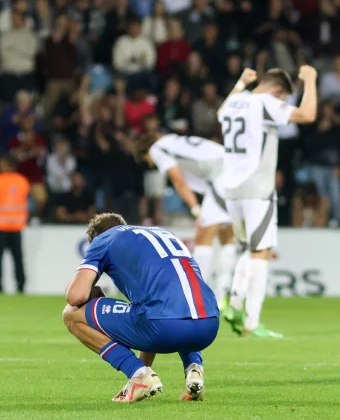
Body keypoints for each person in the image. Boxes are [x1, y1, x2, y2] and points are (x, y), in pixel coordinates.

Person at [62, 213, 219, 403]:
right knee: (175, 306)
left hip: (164, 326)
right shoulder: (163, 233)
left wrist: (138, 372)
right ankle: (193, 367)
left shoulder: (104, 239)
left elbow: (75, 296)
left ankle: (137, 374)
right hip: (209, 324)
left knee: (71, 315)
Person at [217, 65, 318, 337]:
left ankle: (236, 305)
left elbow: (220, 113)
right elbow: (308, 115)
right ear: (277, 91)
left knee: (249, 248)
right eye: (283, 98)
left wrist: (241, 82)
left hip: (231, 188)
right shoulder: (265, 103)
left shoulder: (236, 100)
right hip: (257, 187)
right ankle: (248, 317)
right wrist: (310, 81)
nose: (281, 104)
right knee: (260, 252)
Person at [137, 132, 236, 308]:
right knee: (227, 236)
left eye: (146, 161)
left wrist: (196, 209)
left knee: (203, 237)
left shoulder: (157, 149)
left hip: (222, 175)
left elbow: (179, 181)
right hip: (234, 169)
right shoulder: (173, 141)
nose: (151, 163)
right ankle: (222, 296)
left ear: (146, 152)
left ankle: (199, 299)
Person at [0, 155, 29, 293]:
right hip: (17, 226)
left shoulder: (1, 181)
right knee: (18, 259)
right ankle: (21, 285)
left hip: (1, 227)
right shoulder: (22, 181)